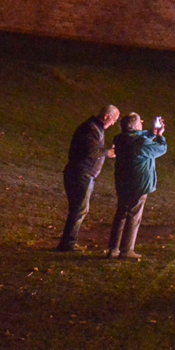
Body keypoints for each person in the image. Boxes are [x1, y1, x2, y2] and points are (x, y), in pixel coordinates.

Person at [57, 105, 120, 252]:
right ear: (107, 116)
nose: (113, 123)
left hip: (82, 173)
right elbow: (91, 150)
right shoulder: (91, 128)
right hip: (81, 173)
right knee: (79, 209)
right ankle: (67, 243)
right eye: (114, 120)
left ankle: (68, 242)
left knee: (78, 208)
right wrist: (108, 153)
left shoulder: (94, 128)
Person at [107, 113, 167, 259]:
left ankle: (113, 249)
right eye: (140, 121)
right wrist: (160, 136)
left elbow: (137, 137)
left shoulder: (120, 139)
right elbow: (161, 149)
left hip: (122, 182)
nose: (142, 122)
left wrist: (151, 132)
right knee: (133, 216)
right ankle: (127, 251)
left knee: (121, 214)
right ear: (135, 126)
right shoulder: (140, 144)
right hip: (138, 184)